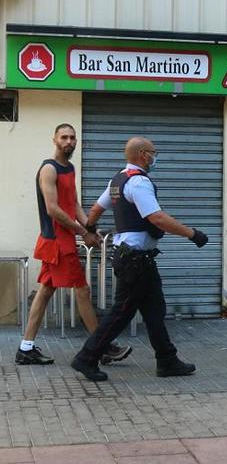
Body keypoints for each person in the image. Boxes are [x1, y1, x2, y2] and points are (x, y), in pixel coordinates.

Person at [70, 136, 209, 381]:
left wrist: (90, 229)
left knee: (154, 310)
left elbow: (95, 209)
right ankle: (86, 357)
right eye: (153, 152)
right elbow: (157, 218)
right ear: (144, 154)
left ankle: (167, 360)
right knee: (121, 313)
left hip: (138, 259)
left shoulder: (118, 180)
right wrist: (192, 234)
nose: (155, 157)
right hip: (135, 260)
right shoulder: (139, 182)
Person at [16, 124, 132, 366]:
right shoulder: (49, 169)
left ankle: (25, 348)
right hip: (57, 243)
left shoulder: (69, 168)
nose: (69, 141)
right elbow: (53, 209)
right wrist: (82, 232)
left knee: (46, 291)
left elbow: (74, 204)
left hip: (62, 239)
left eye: (72, 137)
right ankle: (101, 347)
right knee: (83, 290)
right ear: (55, 140)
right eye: (64, 137)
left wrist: (89, 228)